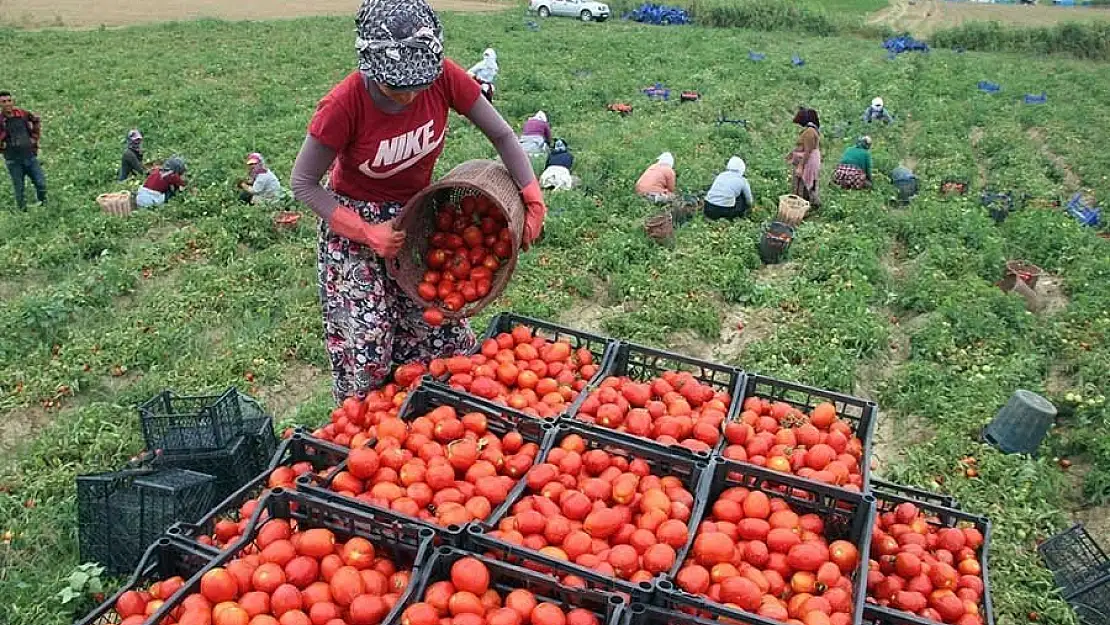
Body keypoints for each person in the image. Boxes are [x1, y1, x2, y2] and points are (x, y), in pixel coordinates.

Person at [289, 0, 547, 402]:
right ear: (371, 68)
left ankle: (424, 422)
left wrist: (532, 196)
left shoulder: (444, 77)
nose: (409, 96)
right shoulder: (344, 105)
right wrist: (365, 232)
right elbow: (304, 183)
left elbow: (502, 136)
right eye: (397, 86)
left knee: (437, 328)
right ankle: (367, 434)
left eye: (418, 84)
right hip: (354, 225)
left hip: (418, 216)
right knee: (368, 343)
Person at [0, 91, 46, 210]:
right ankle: (22, 211)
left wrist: (34, 138)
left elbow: (36, 120)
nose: (7, 104)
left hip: (30, 157)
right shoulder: (1, 121)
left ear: (13, 101)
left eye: (9, 101)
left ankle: (43, 204)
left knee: (41, 183)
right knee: (19, 188)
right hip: (13, 160)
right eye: (3, 102)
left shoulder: (22, 114)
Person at [786, 108, 821, 209]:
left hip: (808, 161)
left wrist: (801, 166)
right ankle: (806, 203)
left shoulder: (809, 132)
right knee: (805, 183)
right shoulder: (811, 130)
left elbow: (807, 151)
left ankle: (802, 205)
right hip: (808, 159)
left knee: (803, 183)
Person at [519, 111, 551, 176]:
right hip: (536, 140)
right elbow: (548, 136)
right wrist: (549, 144)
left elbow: (524, 131)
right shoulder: (544, 123)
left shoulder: (528, 122)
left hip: (524, 139)